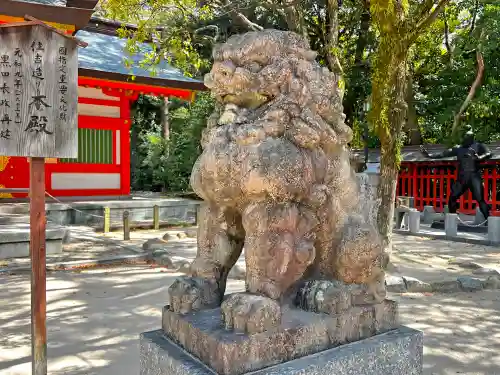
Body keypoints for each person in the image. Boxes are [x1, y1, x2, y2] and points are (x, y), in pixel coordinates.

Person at [420, 127, 492, 219]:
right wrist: (429, 156)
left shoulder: (479, 146)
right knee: (452, 198)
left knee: (480, 200)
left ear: (471, 138)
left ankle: (489, 221)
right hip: (462, 177)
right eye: (463, 137)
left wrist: (480, 157)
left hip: (474, 176)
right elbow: (443, 154)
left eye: (466, 137)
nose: (463, 139)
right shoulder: (458, 148)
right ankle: (452, 219)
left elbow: (488, 153)